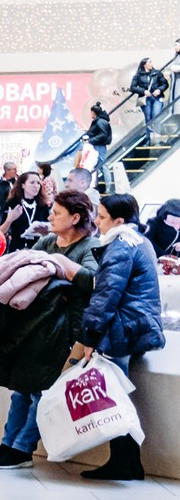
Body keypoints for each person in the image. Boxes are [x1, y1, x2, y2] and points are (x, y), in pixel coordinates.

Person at [0, 188, 101, 469]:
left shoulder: (90, 247)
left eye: (57, 213)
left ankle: (23, 448)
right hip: (32, 326)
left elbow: (92, 283)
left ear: (75, 218)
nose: (50, 216)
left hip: (61, 330)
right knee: (20, 388)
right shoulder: (47, 241)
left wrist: (62, 265)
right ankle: (8, 443)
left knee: (39, 391)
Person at [73, 194, 166, 480]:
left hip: (122, 329)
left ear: (119, 220)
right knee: (118, 395)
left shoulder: (121, 245)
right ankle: (126, 461)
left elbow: (106, 295)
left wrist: (90, 335)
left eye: (101, 217)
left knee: (116, 399)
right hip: (136, 325)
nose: (97, 223)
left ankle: (125, 462)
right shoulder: (140, 241)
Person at [1, 171, 48, 246]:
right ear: (23, 185)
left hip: (37, 249)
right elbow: (1, 232)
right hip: (17, 249)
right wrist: (9, 220)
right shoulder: (13, 203)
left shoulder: (42, 205)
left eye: (38, 183)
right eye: (32, 182)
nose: (36, 186)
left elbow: (47, 230)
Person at [86, 102, 114, 190]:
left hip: (99, 146)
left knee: (102, 166)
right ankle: (104, 186)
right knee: (99, 166)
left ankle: (108, 187)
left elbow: (103, 135)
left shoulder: (100, 122)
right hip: (97, 145)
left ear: (94, 112)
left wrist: (90, 140)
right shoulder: (99, 121)